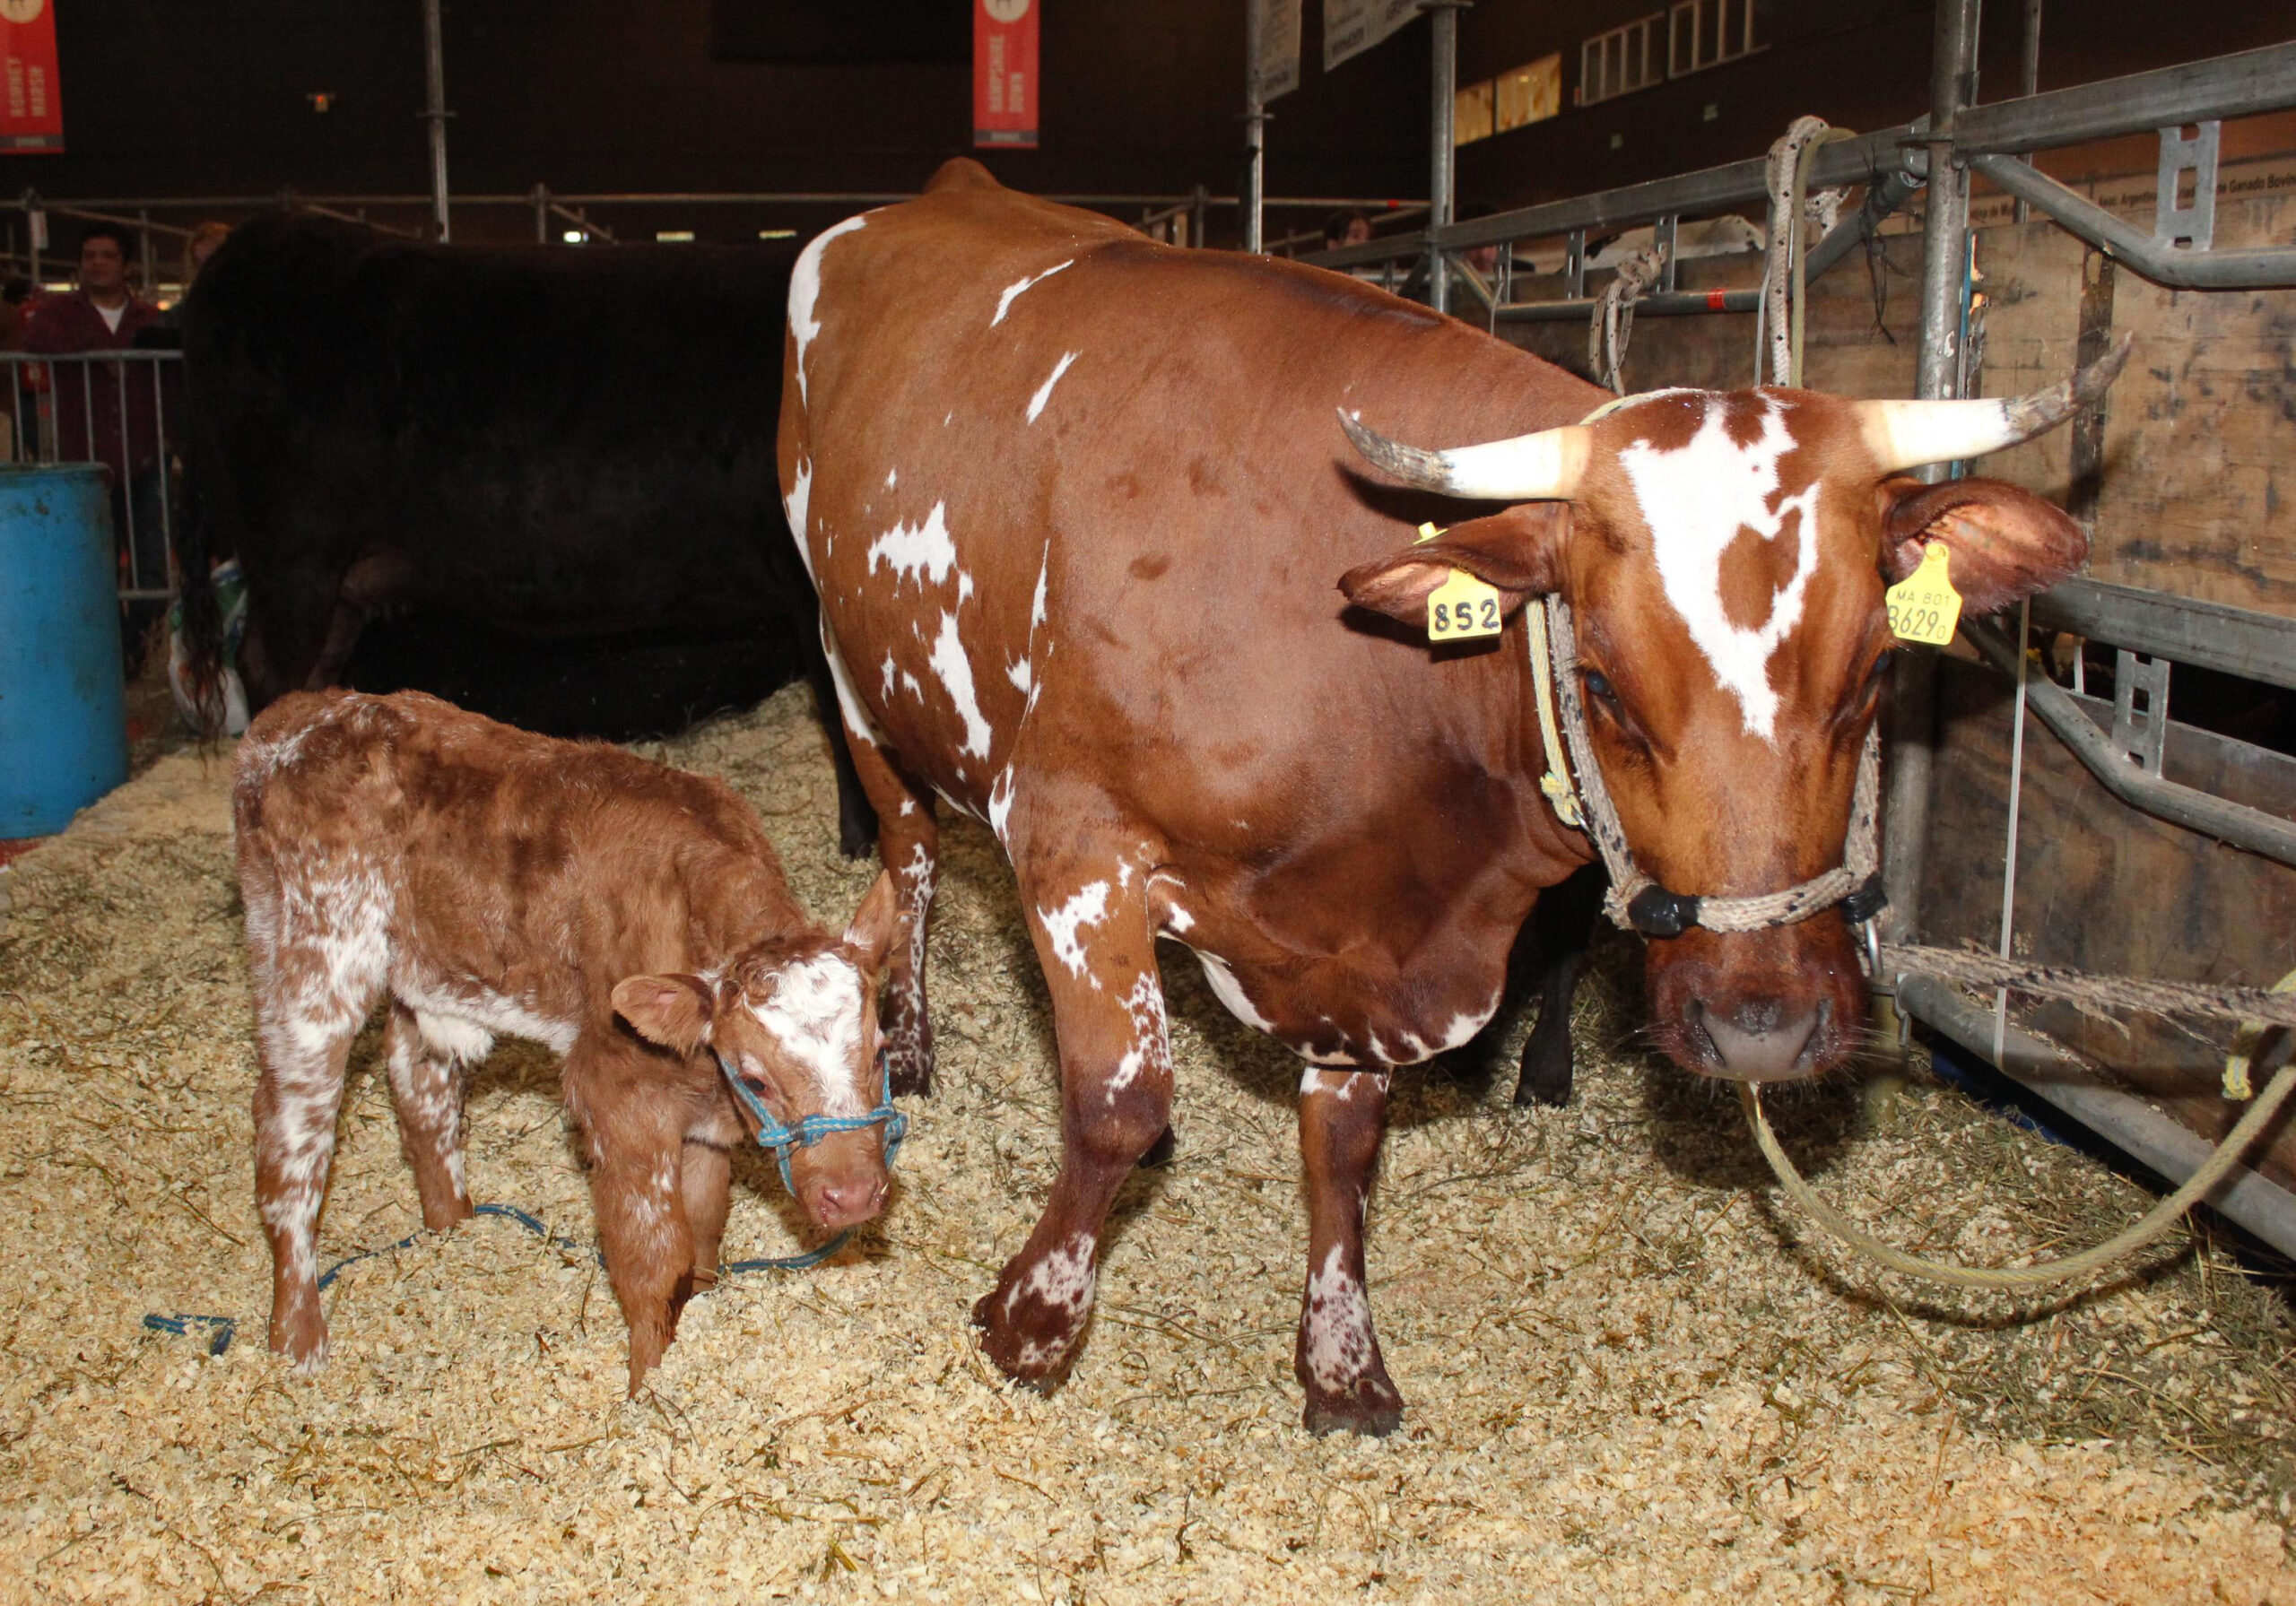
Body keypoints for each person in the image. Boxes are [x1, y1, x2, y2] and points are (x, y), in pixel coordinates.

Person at [21, 222, 170, 669]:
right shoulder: (59, 313)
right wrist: (94, 348)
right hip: (84, 463)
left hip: (144, 456)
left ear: (126, 265)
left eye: (107, 255)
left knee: (152, 562)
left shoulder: (149, 317)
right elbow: (35, 339)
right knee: (89, 562)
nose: (98, 263)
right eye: (90, 256)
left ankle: (141, 650)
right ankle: (97, 653)